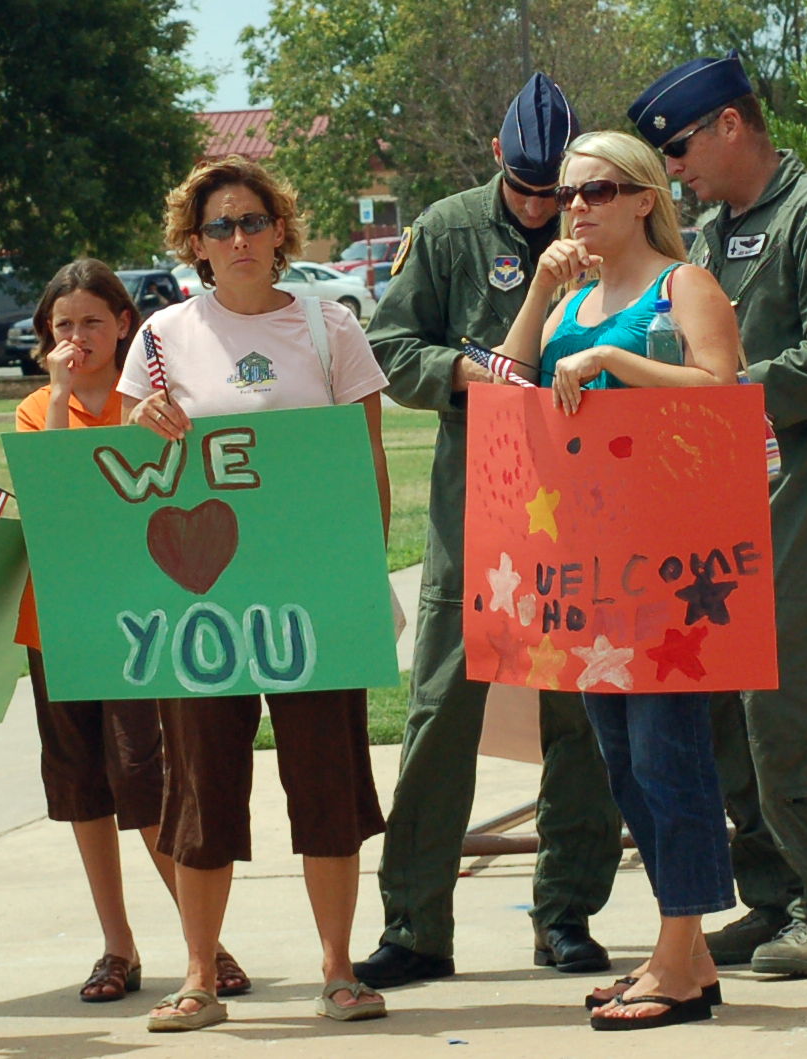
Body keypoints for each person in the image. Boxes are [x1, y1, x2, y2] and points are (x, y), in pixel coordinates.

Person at [353, 73, 622, 992]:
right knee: (437, 713)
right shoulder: (448, 227)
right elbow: (390, 349)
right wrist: (473, 376)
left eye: (564, 191)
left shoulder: (606, 222)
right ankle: (415, 925)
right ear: (498, 161)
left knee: (578, 713)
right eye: (532, 188)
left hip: (586, 507)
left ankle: (567, 915)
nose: (550, 206)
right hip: (477, 502)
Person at [627, 51, 807, 976]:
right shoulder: (709, 231)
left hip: (803, 491)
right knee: (726, 700)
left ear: (732, 125)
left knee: (795, 700)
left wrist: (718, 397)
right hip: (720, 498)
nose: (676, 169)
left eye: (684, 147)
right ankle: (774, 899)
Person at [118, 155, 391, 1031]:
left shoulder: (330, 325)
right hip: (203, 604)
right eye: (218, 227)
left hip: (312, 590)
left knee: (327, 780)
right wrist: (141, 423)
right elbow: (130, 469)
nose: (237, 238)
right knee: (199, 786)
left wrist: (359, 571)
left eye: (251, 221)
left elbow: (369, 463)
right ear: (194, 245)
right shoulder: (159, 338)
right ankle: (198, 975)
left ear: (280, 231)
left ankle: (339, 970)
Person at [497, 130, 739, 1029]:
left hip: (670, 561)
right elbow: (510, 384)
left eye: (597, 191)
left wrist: (612, 362)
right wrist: (540, 293)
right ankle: (688, 952)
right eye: (566, 196)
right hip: (588, 564)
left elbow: (722, 389)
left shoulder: (685, 286)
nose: (578, 209)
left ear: (643, 197)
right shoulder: (571, 300)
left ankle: (678, 960)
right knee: (621, 762)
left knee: (666, 756)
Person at [13, 259, 250, 1004]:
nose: (76, 337)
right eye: (62, 326)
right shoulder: (34, 407)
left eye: (91, 321)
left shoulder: (149, 403)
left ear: (125, 324)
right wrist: (57, 394)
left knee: (143, 779)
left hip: (133, 620)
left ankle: (201, 947)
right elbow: (55, 490)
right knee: (83, 785)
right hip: (53, 620)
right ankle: (117, 946)